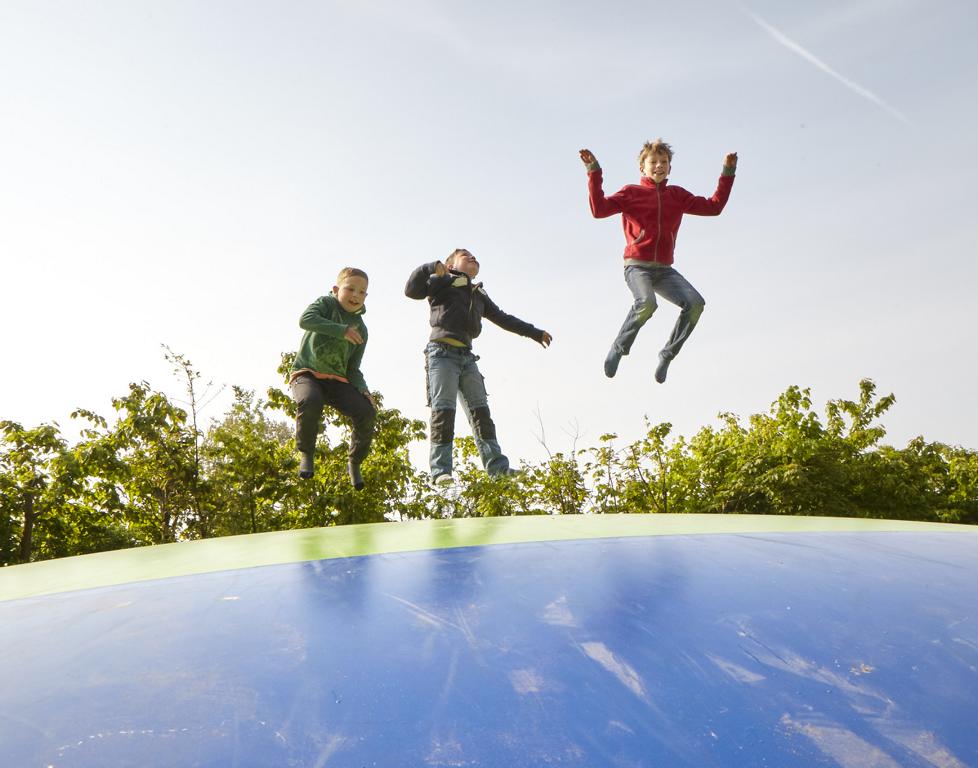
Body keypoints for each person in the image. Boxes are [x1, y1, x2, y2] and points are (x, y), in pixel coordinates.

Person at [579, 139, 737, 383]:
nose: (659, 166)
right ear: (642, 167)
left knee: (695, 304)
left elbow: (714, 207)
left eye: (664, 162)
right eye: (653, 162)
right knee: (647, 303)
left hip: (664, 271)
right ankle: (619, 349)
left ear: (670, 168)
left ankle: (667, 355)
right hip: (636, 266)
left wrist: (727, 172)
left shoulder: (677, 195)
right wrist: (594, 172)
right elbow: (599, 210)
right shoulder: (631, 193)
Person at [405, 249, 552, 486]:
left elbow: (504, 318)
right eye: (466, 255)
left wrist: (534, 332)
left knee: (481, 413)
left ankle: (497, 468)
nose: (473, 257)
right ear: (451, 264)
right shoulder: (443, 280)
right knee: (443, 410)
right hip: (441, 355)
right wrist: (430, 267)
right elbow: (412, 291)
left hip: (467, 357)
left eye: (475, 256)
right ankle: (441, 470)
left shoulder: (478, 293)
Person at [290, 267, 376, 490]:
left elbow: (353, 369)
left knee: (367, 411)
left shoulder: (362, 330)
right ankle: (307, 453)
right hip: (307, 374)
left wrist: (364, 390)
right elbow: (305, 320)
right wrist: (341, 330)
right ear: (337, 289)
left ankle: (355, 463)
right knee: (311, 401)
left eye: (362, 292)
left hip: (338, 381)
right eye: (350, 289)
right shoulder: (326, 305)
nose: (356, 295)